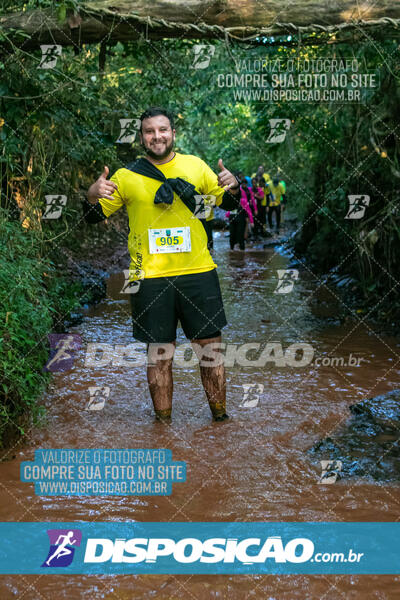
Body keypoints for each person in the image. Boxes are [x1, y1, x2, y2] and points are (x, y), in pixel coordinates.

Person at [83, 107, 240, 423]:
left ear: (173, 133)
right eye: (150, 131)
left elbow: (230, 206)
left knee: (211, 352)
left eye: (163, 130)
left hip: (199, 273)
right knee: (159, 358)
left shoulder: (195, 166)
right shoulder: (126, 176)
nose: (157, 136)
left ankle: (221, 421)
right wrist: (91, 194)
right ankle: (163, 426)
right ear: (142, 137)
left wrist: (233, 185)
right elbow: (92, 217)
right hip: (149, 277)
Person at [226, 177, 254, 250]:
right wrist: (227, 215)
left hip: (241, 219)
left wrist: (251, 221)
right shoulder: (230, 199)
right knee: (232, 235)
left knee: (240, 235)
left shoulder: (243, 201)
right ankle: (232, 250)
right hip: (232, 219)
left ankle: (242, 252)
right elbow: (228, 210)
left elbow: (249, 211)